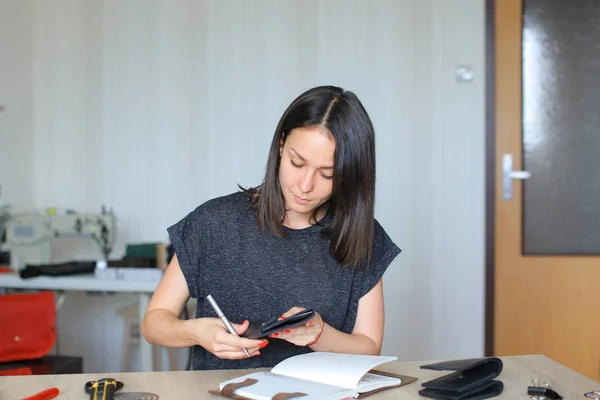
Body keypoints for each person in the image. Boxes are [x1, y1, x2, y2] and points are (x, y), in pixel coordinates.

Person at [141, 85, 401, 370]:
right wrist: (197, 333)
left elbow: (369, 347)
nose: (305, 186)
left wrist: (319, 333)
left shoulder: (362, 236)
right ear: (280, 145)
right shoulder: (214, 223)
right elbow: (155, 322)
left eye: (328, 174)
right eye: (297, 163)